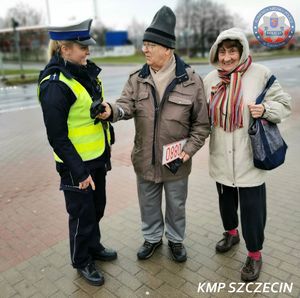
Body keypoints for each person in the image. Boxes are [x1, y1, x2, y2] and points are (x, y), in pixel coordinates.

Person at [99, 6, 210, 262]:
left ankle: (175, 240)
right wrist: (110, 110)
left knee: (176, 205)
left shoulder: (192, 80)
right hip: (144, 158)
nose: (145, 49)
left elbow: (202, 125)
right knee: (148, 204)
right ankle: (151, 238)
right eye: (144, 44)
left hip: (176, 161)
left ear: (167, 49)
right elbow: (125, 105)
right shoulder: (137, 78)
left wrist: (187, 152)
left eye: (150, 44)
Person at [204, 28, 291, 281]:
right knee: (225, 201)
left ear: (242, 51)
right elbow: (199, 115)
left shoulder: (261, 74)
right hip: (221, 154)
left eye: (232, 51)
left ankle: (254, 254)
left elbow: (285, 104)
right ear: (216, 53)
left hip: (249, 156)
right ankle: (231, 233)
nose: (227, 57)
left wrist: (265, 108)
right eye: (222, 51)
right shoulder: (210, 79)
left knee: (253, 209)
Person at [38, 19, 117, 287]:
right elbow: (57, 137)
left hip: (96, 158)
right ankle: (82, 260)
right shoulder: (55, 85)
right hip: (76, 166)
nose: (88, 52)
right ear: (64, 49)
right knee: (81, 216)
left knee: (97, 208)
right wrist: (79, 171)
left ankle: (93, 247)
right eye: (82, 47)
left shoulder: (84, 73)